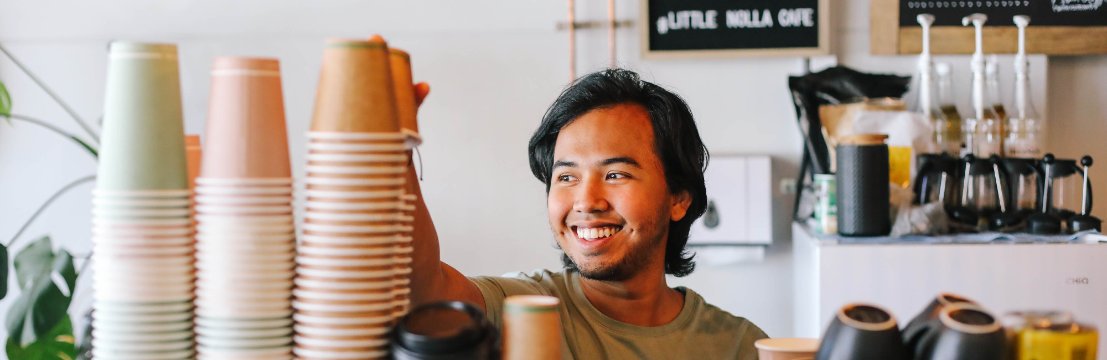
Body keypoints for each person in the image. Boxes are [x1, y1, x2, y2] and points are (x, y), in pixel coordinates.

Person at [407, 68, 767, 359]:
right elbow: (423, 298)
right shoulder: (522, 311)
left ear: (678, 198)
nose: (586, 201)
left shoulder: (738, 346)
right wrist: (394, 150)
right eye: (566, 177)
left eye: (615, 174)